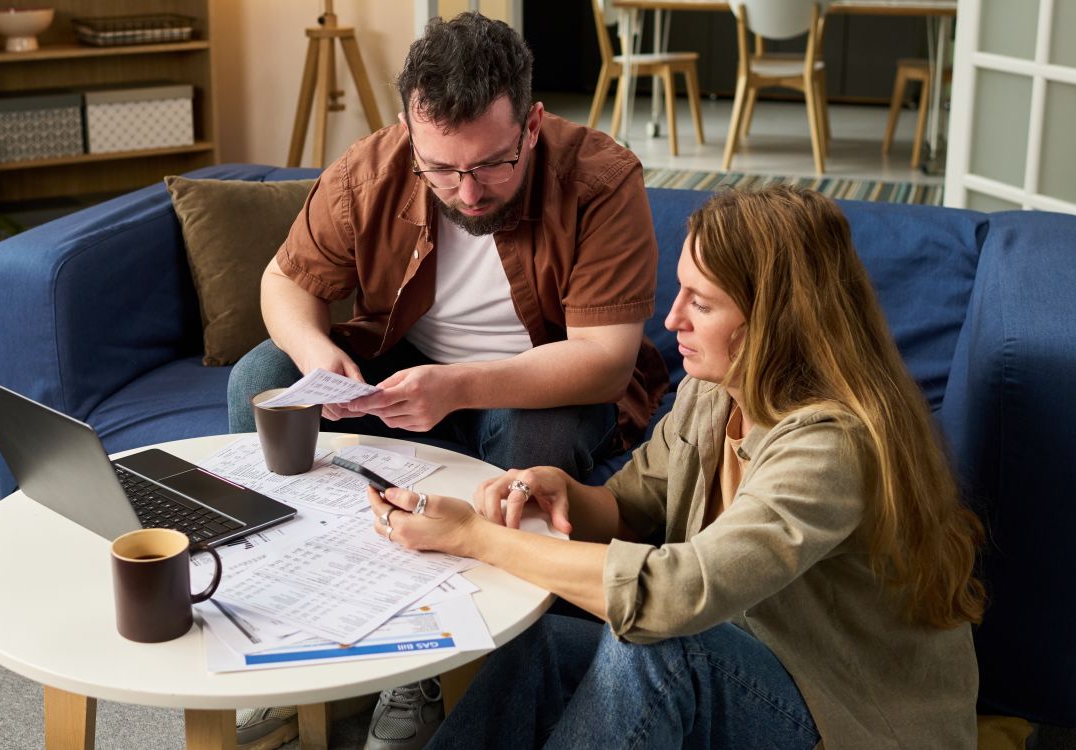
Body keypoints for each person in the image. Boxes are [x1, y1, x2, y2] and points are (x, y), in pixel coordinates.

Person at [367, 186, 989, 749]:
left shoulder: (831, 445)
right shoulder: (714, 392)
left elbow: (674, 597)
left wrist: (475, 537)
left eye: (702, 303)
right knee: (539, 646)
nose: (671, 320)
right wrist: (559, 492)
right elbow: (633, 507)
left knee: (662, 649)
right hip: (748, 659)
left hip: (846, 714)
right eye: (681, 290)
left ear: (774, 319)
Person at [229, 14, 668, 748]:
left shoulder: (600, 178)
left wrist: (458, 387)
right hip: (404, 365)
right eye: (440, 168)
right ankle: (298, 627)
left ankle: (440, 660)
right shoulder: (373, 168)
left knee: (535, 448)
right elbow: (284, 281)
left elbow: (605, 358)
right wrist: (314, 353)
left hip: (542, 379)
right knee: (263, 377)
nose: (466, 192)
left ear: (531, 124)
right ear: (410, 132)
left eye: (492, 164)